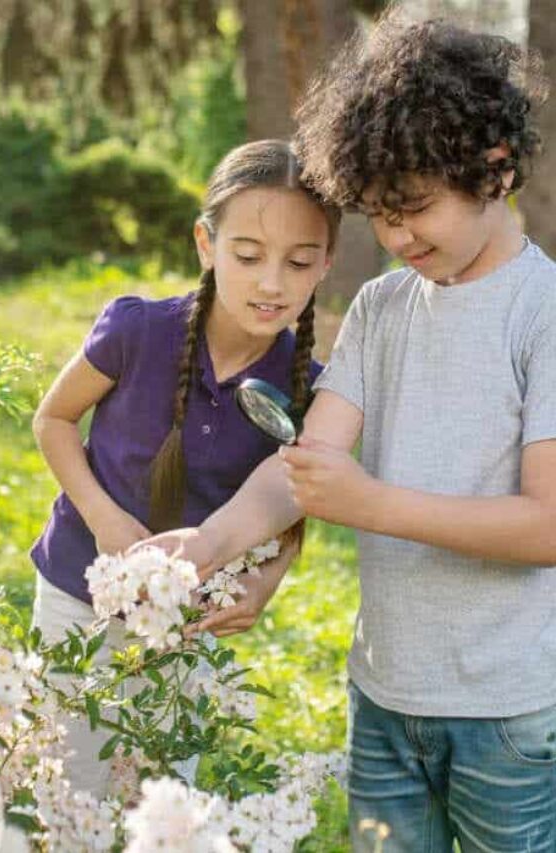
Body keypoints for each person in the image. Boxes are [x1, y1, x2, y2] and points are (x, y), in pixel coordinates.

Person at [137, 13, 556, 851]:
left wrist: (371, 503)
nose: (396, 237)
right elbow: (308, 465)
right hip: (383, 698)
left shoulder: (540, 313)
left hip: (505, 715)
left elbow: (546, 526)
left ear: (495, 169)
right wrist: (208, 544)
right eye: (378, 215)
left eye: (415, 210)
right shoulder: (381, 306)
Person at [29, 139, 341, 797]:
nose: (270, 282)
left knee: (161, 797)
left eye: (299, 261)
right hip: (75, 594)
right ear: (206, 243)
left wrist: (266, 582)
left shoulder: (312, 388)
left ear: (326, 265)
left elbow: (292, 501)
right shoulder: (137, 330)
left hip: (187, 623)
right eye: (248, 255)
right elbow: (52, 421)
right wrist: (103, 516)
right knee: (65, 782)